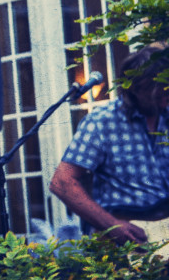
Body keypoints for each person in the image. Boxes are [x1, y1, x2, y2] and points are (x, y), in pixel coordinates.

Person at [50, 45, 169, 244]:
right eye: (157, 88)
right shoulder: (101, 121)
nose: (166, 92)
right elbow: (62, 183)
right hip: (125, 238)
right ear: (136, 87)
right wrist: (112, 225)